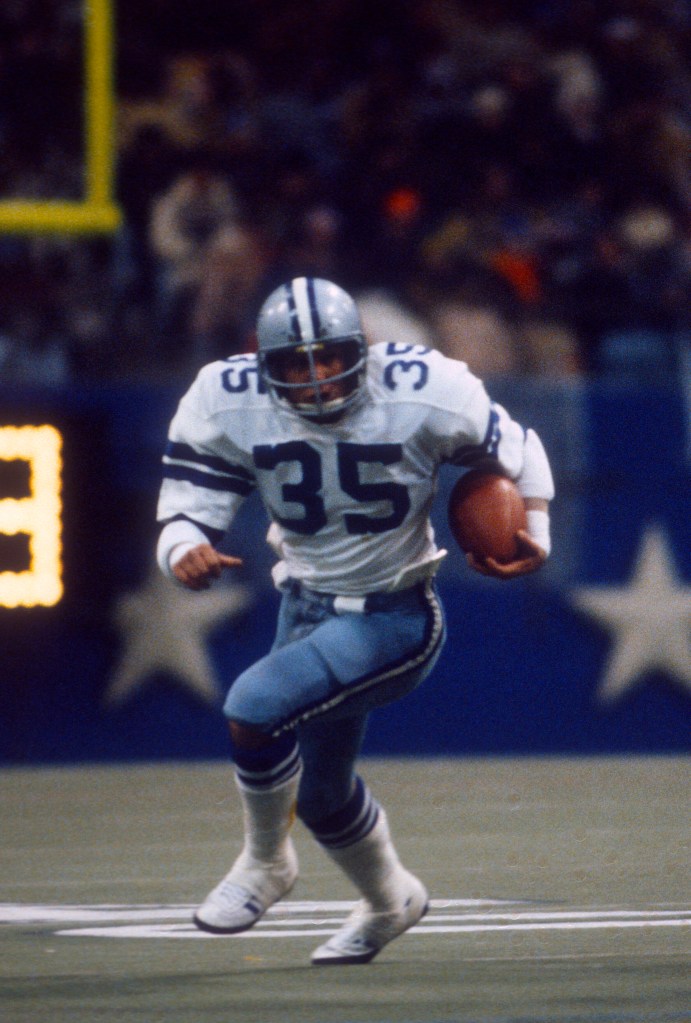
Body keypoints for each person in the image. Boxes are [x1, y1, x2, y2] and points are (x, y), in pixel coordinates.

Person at [155, 276, 554, 965]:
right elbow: (186, 503)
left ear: (361, 350)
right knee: (320, 792)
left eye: (331, 358)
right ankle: (390, 898)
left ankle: (264, 862)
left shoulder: (423, 386)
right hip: (304, 603)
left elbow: (518, 448)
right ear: (260, 363)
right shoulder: (226, 396)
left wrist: (536, 531)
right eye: (292, 365)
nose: (314, 380)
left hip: (393, 614)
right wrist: (180, 546)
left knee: (253, 704)